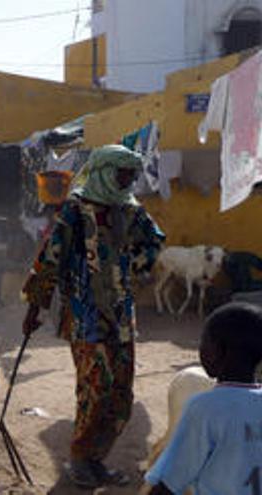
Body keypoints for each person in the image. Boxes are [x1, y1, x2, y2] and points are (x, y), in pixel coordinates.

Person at [22, 145, 165, 488]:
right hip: (85, 317)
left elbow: (154, 242)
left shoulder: (131, 210)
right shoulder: (76, 210)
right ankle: (80, 459)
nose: (129, 179)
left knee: (121, 394)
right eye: (123, 173)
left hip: (121, 317)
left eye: (132, 173)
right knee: (95, 389)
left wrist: (133, 265)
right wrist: (35, 305)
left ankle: (96, 459)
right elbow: (50, 258)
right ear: (104, 171)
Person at [146, 302, 262, 495]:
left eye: (203, 342)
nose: (199, 349)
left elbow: (170, 481)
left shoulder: (204, 408)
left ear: (219, 351)